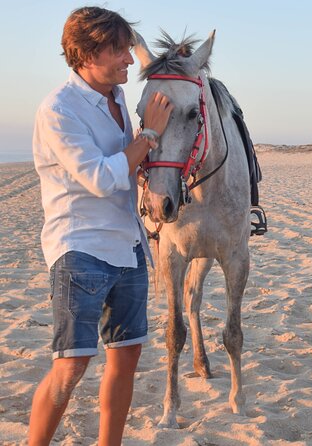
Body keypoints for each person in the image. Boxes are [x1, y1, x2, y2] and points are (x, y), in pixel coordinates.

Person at [29, 6, 173, 445]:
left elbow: (128, 171)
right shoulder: (60, 108)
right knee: (71, 364)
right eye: (119, 50)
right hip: (80, 249)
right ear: (86, 53)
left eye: (129, 50)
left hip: (128, 245)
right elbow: (99, 177)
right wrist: (149, 136)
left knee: (127, 356)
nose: (130, 60)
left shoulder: (117, 100)